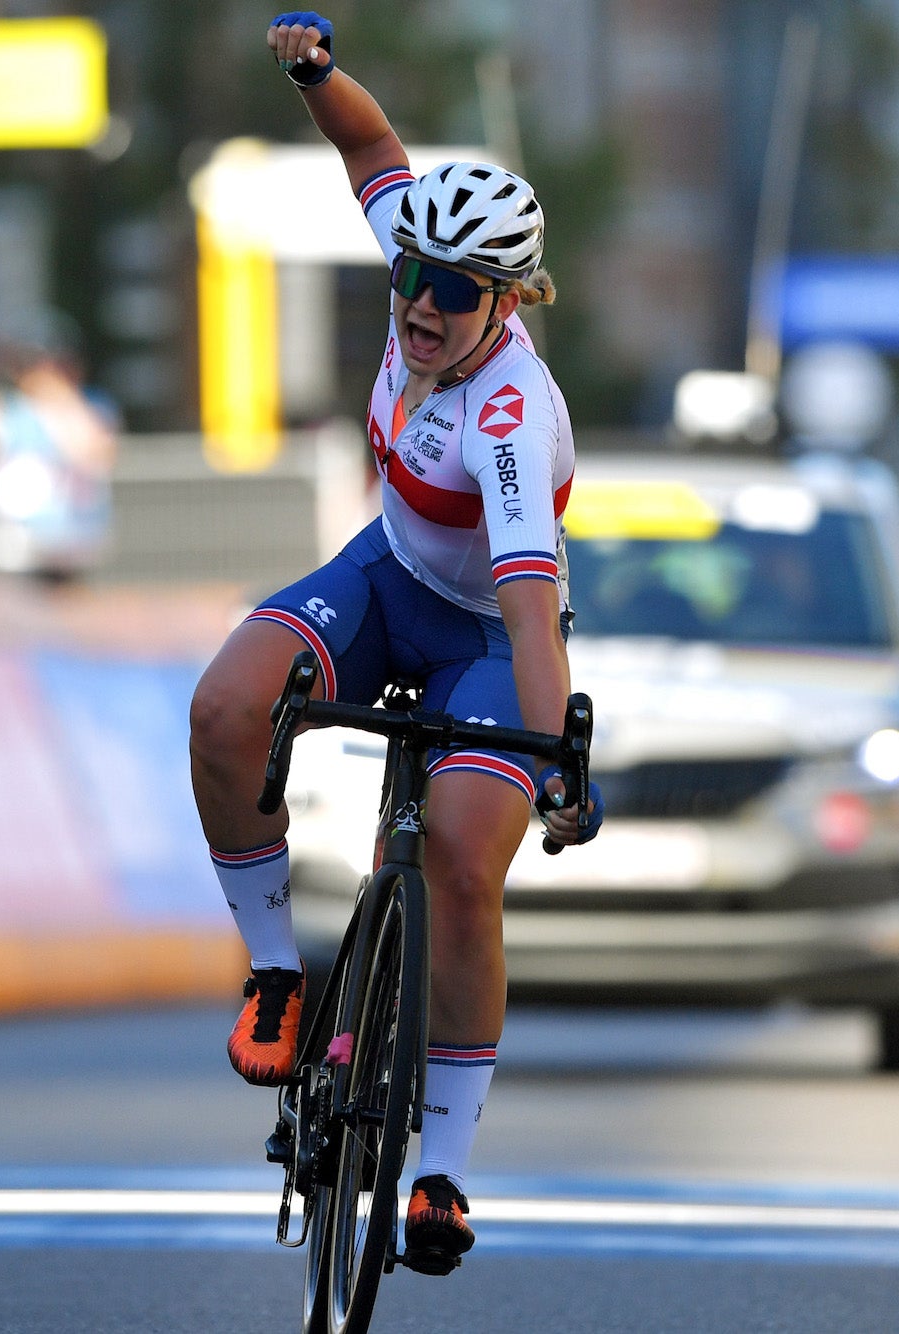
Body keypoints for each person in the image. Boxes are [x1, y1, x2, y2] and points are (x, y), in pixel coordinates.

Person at [187, 13, 602, 1276]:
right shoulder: (423, 251)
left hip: (486, 634)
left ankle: (442, 1168)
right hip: (384, 578)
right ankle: (274, 973)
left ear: (507, 299)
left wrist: (557, 763)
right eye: (407, 276)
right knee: (223, 710)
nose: (419, 306)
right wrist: (313, 68)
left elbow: (528, 613)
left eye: (453, 293)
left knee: (466, 870)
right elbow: (366, 143)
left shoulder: (510, 421)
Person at [0, 331, 117, 585]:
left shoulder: (92, 405)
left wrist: (58, 399)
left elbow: (96, 452)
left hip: (75, 547)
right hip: (16, 547)